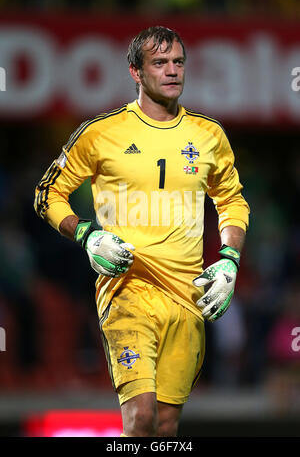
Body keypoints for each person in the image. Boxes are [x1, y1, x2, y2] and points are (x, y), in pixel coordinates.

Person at [34, 26, 250, 437]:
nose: (172, 71)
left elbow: (233, 201)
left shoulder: (209, 136)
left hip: (188, 298)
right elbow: (48, 194)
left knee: (165, 426)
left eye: (178, 62)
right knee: (141, 417)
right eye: (159, 63)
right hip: (126, 290)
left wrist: (229, 261)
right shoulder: (101, 133)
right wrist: (87, 235)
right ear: (135, 72)